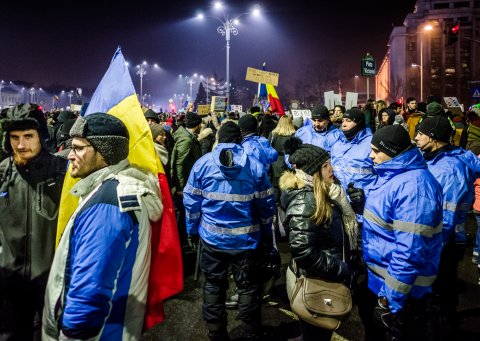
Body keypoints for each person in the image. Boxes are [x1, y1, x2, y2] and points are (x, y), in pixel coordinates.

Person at [42, 113, 163, 341]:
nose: (70, 155)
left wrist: (71, 335)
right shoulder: (110, 192)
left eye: (78, 148)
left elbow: (89, 295)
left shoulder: (108, 205)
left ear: (104, 152)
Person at [183, 121, 275, 340]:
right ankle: (251, 333)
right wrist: (266, 234)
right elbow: (266, 205)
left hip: (212, 240)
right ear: (239, 140)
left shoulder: (202, 164)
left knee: (213, 287)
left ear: (219, 138)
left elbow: (191, 203)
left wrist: (192, 231)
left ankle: (217, 334)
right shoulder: (254, 166)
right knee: (248, 288)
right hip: (246, 242)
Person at [353, 125, 443, 341]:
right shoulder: (393, 175)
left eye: (376, 151)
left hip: (402, 294)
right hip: (381, 283)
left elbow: (410, 252)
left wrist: (389, 301)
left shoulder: (415, 188)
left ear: (392, 152)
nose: (370, 155)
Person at [0, 103, 68, 340]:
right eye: (14, 137)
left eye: (28, 136)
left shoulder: (63, 172)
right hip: (10, 284)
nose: (20, 145)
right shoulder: (2, 174)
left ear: (41, 135)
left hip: (52, 283)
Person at [280, 137, 358, 341]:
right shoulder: (306, 201)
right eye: (326, 166)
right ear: (314, 172)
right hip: (317, 278)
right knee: (317, 330)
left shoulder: (325, 192)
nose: (332, 169)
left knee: (314, 331)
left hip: (323, 275)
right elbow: (303, 251)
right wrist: (341, 268)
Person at [414, 116, 480, 336]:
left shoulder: (449, 170)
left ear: (433, 138)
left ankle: (442, 329)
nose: (416, 137)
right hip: (436, 239)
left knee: (440, 292)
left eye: (420, 134)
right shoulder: (432, 158)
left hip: (443, 241)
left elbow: (447, 216)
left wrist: (431, 249)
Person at [171, 111, 203, 253]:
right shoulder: (187, 140)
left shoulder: (186, 136)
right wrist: (180, 187)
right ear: (196, 125)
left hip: (186, 183)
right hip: (184, 186)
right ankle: (182, 244)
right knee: (183, 215)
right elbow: (179, 163)